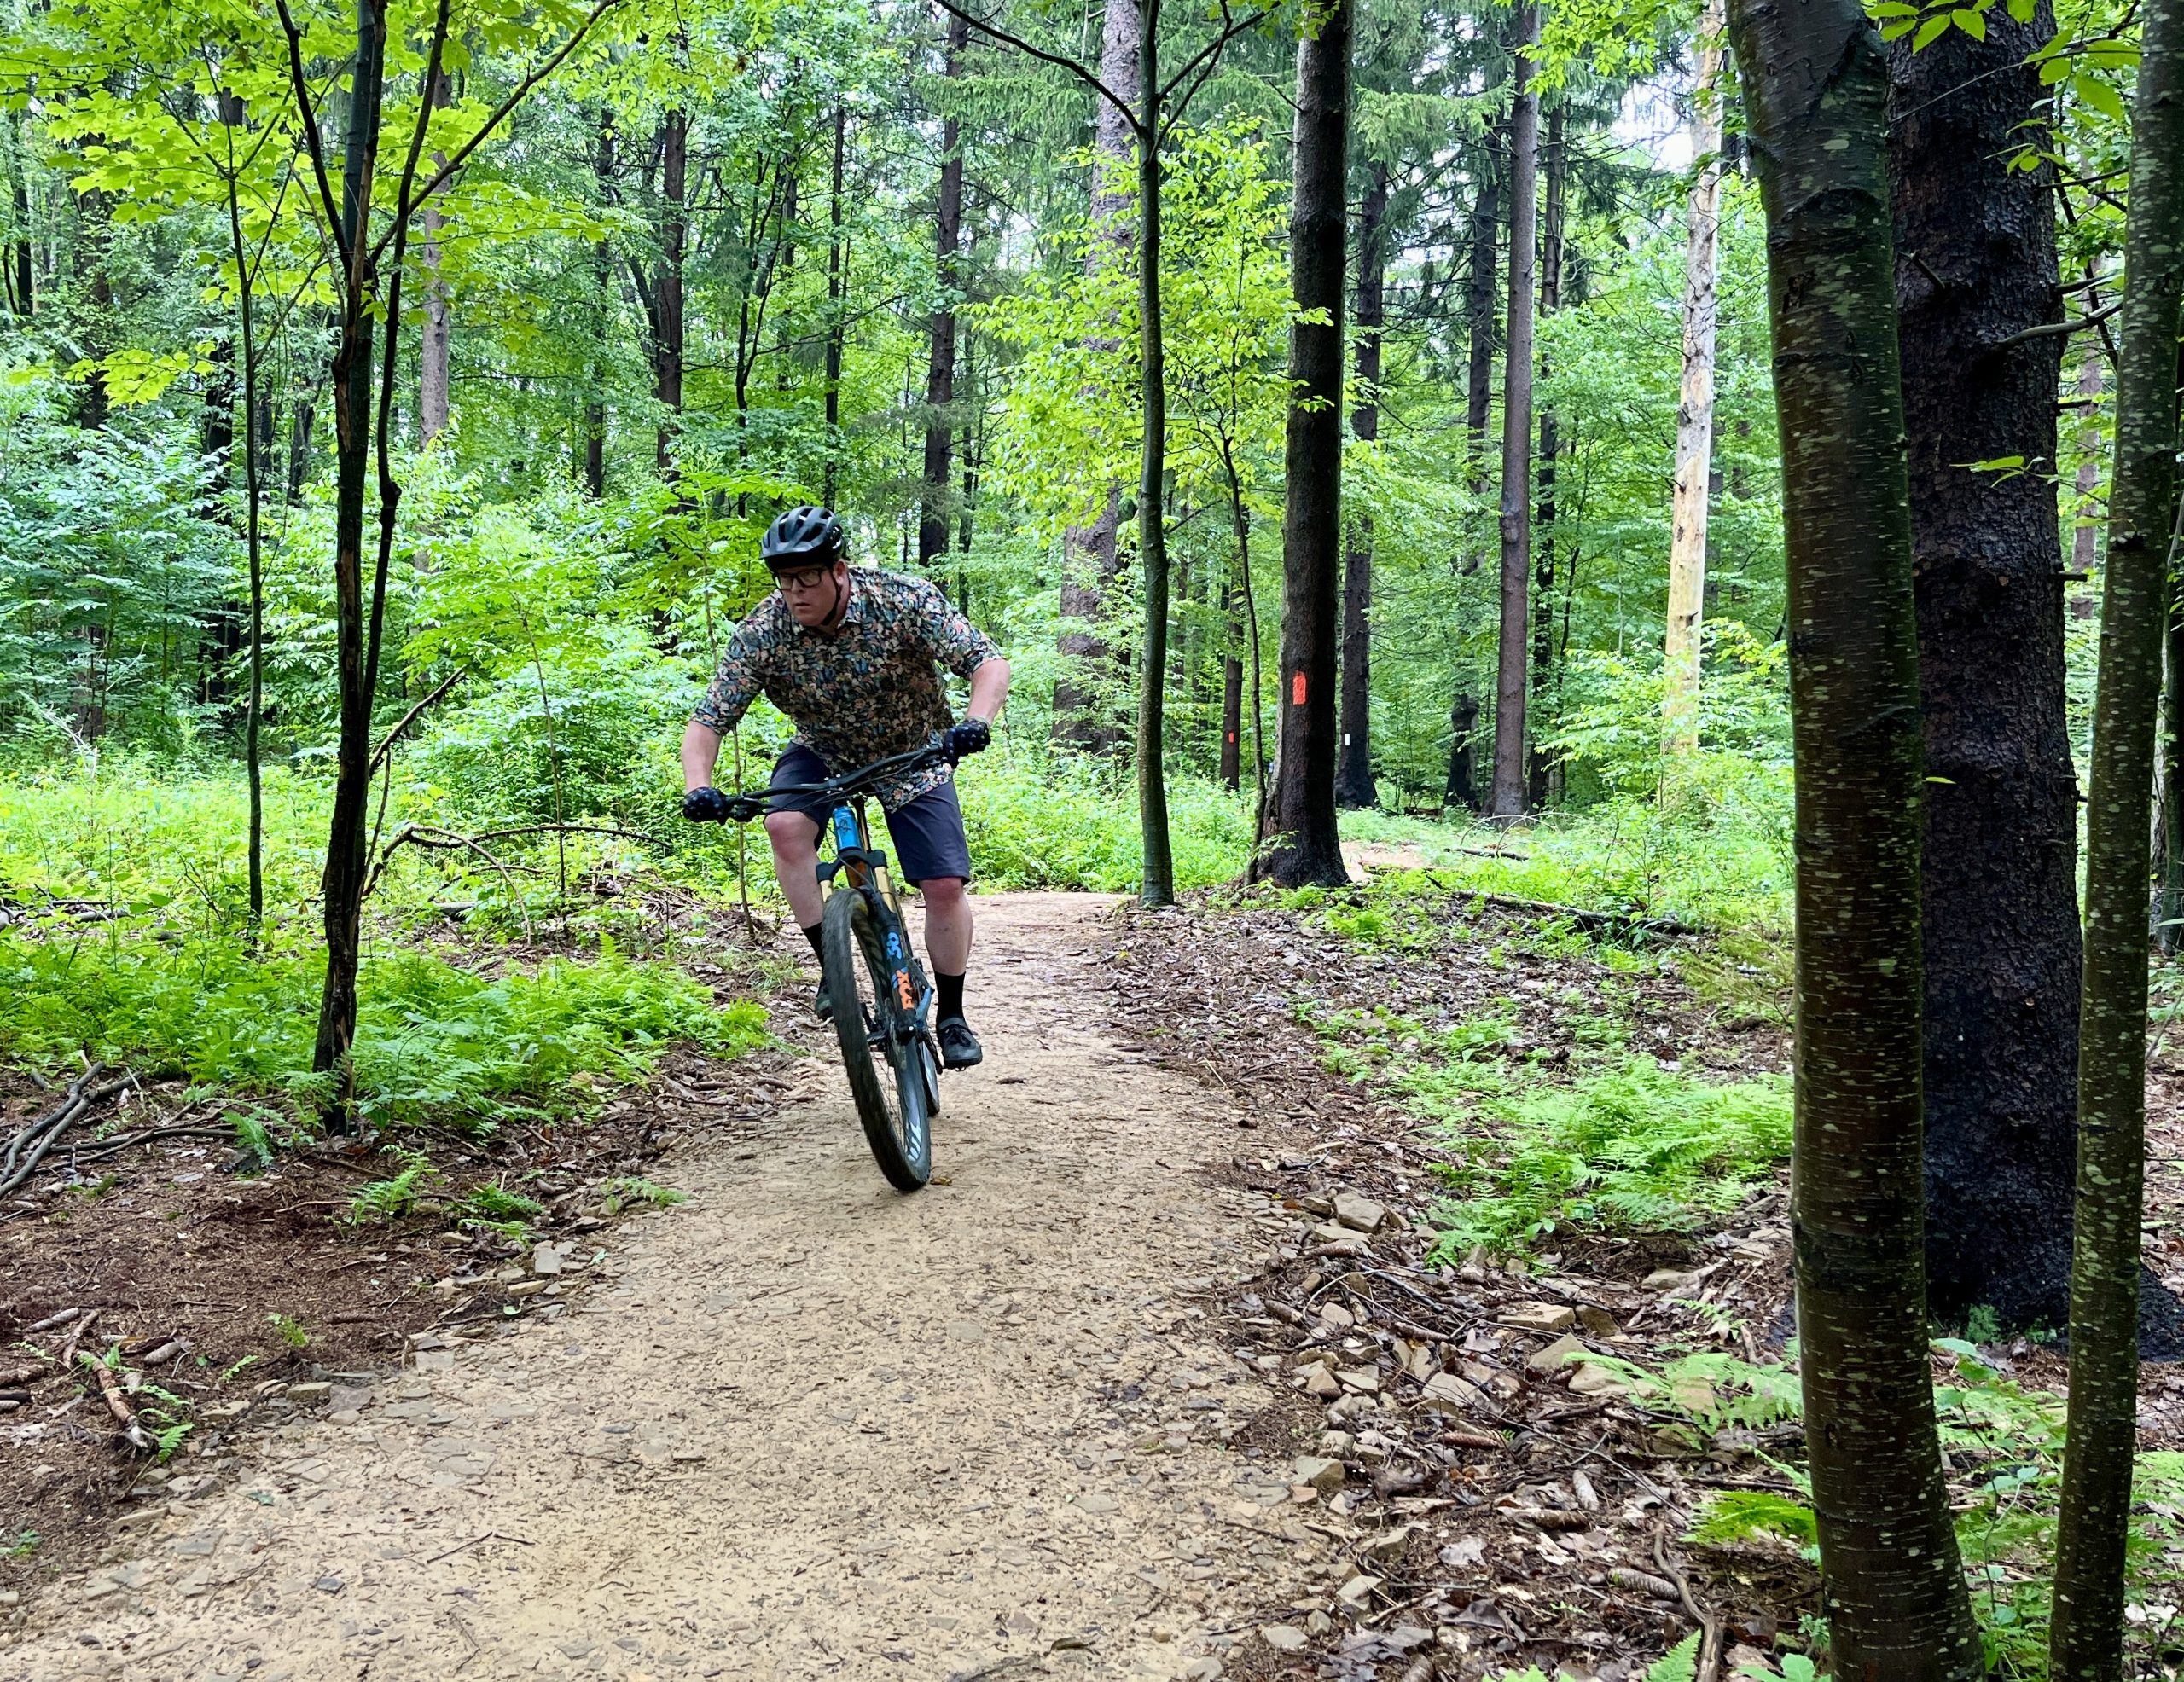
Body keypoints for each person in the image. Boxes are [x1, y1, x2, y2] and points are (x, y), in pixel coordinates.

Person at [679, 506, 1010, 1070]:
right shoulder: (765, 629)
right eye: (784, 580)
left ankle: (952, 1015)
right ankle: (834, 972)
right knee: (783, 825)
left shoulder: (902, 600)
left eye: (807, 577)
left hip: (914, 749)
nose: (795, 592)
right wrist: (699, 786)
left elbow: (987, 662)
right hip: (824, 749)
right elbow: (707, 721)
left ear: (839, 570)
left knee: (944, 883)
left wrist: (975, 722)